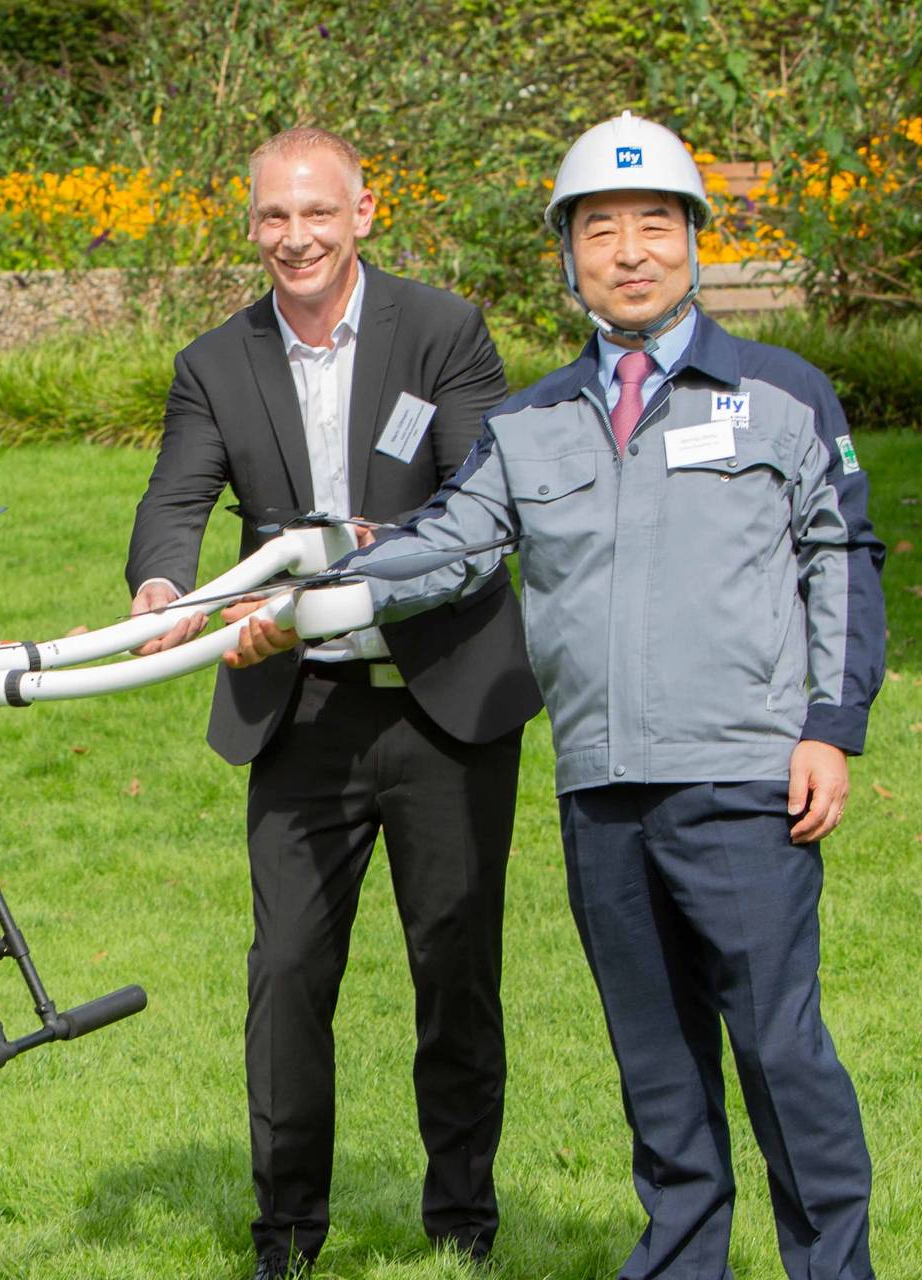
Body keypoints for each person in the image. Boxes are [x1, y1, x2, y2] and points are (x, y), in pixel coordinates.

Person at [224, 112, 887, 1280]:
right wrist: (297, 595)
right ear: (569, 253)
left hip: (741, 778)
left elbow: (839, 559)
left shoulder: (785, 396)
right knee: (656, 1061)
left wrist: (830, 729)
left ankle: (833, 1266)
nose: (629, 251)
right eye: (599, 231)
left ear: (694, 239)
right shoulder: (530, 423)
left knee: (779, 1052)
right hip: (604, 790)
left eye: (653, 225)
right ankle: (682, 1261)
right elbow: (449, 543)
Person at [121, 127, 540, 1277]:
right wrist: (165, 581)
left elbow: (480, 497)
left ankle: (461, 1223)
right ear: (249, 223)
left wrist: (362, 555)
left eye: (317, 213)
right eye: (272, 217)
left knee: (454, 966)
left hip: (442, 703)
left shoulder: (443, 331)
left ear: (364, 212)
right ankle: (286, 1231)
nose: (295, 237)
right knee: (289, 970)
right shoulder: (218, 360)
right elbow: (173, 502)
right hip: (298, 712)